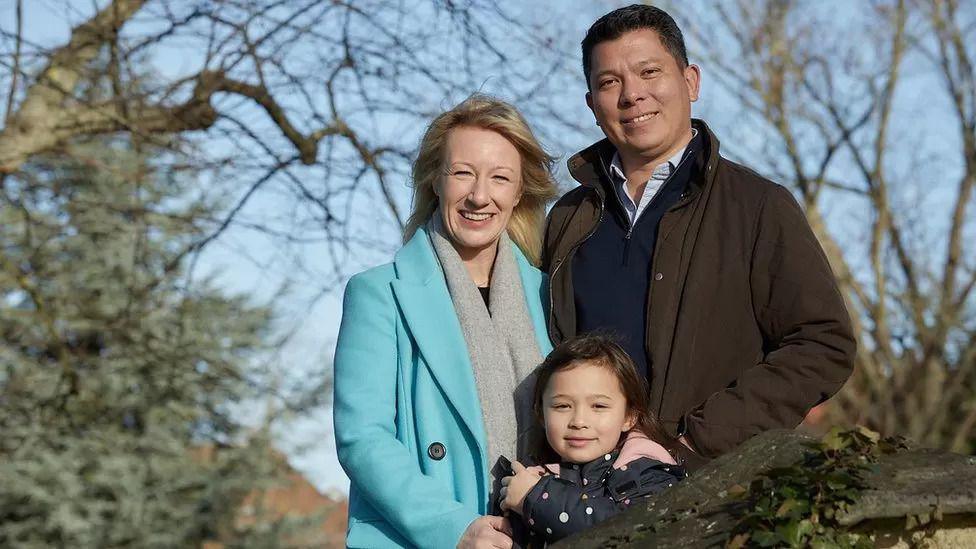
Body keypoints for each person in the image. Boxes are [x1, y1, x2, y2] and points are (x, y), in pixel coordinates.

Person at [543, 5, 856, 470]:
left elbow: (822, 344)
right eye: (609, 82)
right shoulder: (567, 218)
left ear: (690, 81)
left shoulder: (756, 205)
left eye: (650, 72)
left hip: (707, 491)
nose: (632, 95)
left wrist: (693, 444)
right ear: (592, 104)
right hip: (578, 497)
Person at [333, 94, 558, 548]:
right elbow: (363, 437)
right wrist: (453, 527)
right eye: (463, 173)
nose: (479, 196)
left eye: (499, 178)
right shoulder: (379, 293)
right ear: (435, 180)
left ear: (519, 193)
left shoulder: (550, 295)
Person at [498, 334, 685, 545]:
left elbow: (635, 530)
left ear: (629, 416)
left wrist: (536, 497)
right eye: (562, 406)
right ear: (541, 414)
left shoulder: (646, 469)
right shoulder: (534, 476)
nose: (579, 421)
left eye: (598, 406)